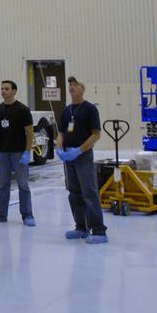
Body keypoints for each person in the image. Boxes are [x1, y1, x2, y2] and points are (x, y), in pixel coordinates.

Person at [56, 79, 107, 243]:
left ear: (82, 89)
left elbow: (96, 134)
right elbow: (61, 133)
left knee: (89, 193)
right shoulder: (66, 111)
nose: (72, 87)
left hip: (83, 156)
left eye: (75, 85)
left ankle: (99, 231)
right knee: (74, 192)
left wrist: (79, 150)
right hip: (69, 158)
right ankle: (81, 227)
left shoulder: (90, 109)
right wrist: (59, 148)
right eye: (70, 85)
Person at [0, 79, 36, 226]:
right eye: (2, 89)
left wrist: (27, 152)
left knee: (23, 185)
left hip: (19, 153)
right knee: (3, 185)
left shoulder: (23, 110)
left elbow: (30, 132)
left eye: (7, 89)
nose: (3, 91)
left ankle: (27, 215)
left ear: (14, 91)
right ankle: (1, 214)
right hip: (2, 153)